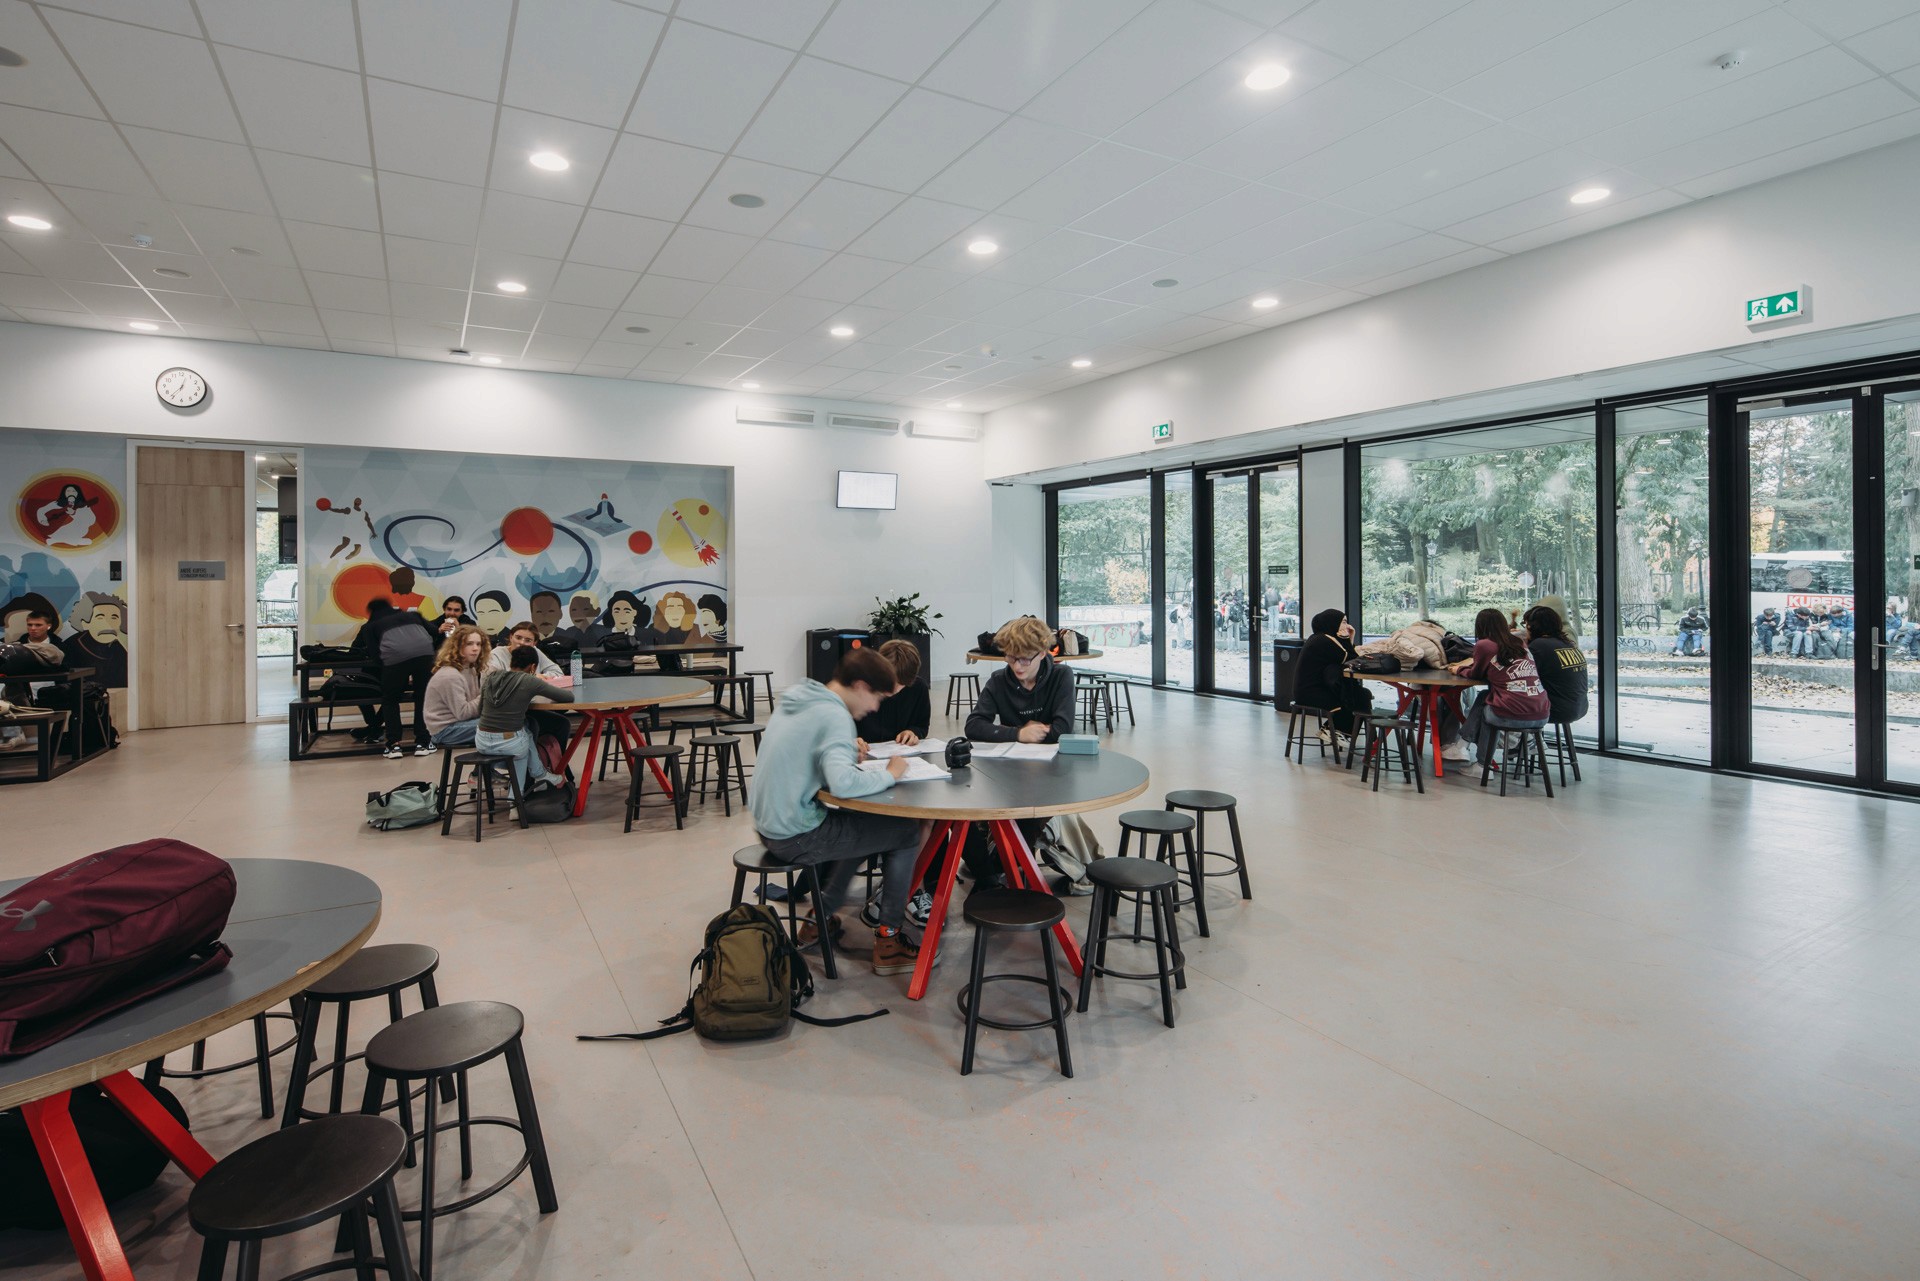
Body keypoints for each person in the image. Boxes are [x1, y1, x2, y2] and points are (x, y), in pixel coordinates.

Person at [749, 646, 927, 977]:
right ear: (861, 686)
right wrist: (892, 772)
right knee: (905, 832)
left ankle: (819, 919)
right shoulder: (835, 716)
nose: (875, 707)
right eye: (876, 697)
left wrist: (844, 756)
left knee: (859, 829)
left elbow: (814, 760)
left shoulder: (803, 696)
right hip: (796, 834)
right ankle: (889, 940)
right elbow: (843, 786)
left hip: (769, 824)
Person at [1452, 607, 1550, 761]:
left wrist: (1458, 669)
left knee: (1487, 709)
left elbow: (1475, 674)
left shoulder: (1484, 645)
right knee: (1487, 697)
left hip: (1512, 714)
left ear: (1480, 626)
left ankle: (1477, 761)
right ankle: (1529, 741)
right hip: (1542, 713)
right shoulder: (1519, 642)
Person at [352, 596, 440, 758]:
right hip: (425, 656)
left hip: (394, 660)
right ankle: (423, 742)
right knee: (422, 697)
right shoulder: (413, 616)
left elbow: (375, 655)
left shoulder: (370, 626)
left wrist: (390, 668)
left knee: (391, 699)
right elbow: (434, 632)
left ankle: (394, 745)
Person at [477, 645, 574, 792]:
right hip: (509, 743)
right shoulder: (529, 680)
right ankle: (515, 801)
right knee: (520, 747)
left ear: (511, 662)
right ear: (533, 667)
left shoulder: (492, 678)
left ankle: (539, 773)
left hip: (481, 741)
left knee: (527, 731)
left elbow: (480, 709)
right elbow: (567, 697)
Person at [966, 616, 1074, 745]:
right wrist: (1019, 734)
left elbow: (1062, 731)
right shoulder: (998, 680)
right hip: (1011, 758)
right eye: (1011, 658)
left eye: (1025, 659)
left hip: (1055, 759)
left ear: (1042, 653)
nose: (1017, 666)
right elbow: (973, 726)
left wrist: (1003, 733)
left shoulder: (1061, 676)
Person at [1292, 608, 1371, 742]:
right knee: (1355, 696)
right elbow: (1351, 658)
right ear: (1333, 623)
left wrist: (1347, 639)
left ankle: (1334, 731)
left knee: (1357, 694)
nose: (1347, 626)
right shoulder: (1325, 641)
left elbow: (1345, 657)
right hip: (1311, 693)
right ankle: (1338, 733)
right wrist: (1349, 637)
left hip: (1309, 690)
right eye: (1344, 622)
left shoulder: (1319, 638)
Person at [1, 607, 66, 750]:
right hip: (21, 690)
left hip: (48, 690)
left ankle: (14, 734)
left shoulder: (58, 647)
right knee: (4, 693)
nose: (33, 629)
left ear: (48, 626)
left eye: (38, 625)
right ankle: (13, 734)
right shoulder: (16, 647)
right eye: (30, 625)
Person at [856, 638, 930, 749]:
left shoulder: (918, 688)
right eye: (889, 681)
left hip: (900, 754)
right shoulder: (860, 687)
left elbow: (922, 725)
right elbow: (839, 728)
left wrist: (913, 732)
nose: (893, 689)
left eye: (901, 684)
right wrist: (850, 740)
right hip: (863, 754)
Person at [1522, 604, 1588, 726]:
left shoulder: (1539, 646)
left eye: (1525, 625)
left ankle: (1527, 741)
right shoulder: (1569, 644)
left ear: (1532, 626)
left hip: (1557, 710)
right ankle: (1534, 741)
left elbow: (1521, 674)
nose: (1525, 629)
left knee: (1507, 701)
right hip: (1580, 707)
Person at [423, 625, 488, 748]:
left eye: (478, 644)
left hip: (460, 724)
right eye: (469, 644)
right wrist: (486, 695)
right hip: (445, 730)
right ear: (457, 646)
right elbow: (463, 713)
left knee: (527, 722)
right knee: (508, 723)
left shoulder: (470, 668)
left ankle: (492, 767)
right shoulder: (450, 675)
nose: (475, 649)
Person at [487, 621, 563, 677]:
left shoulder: (535, 652)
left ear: (534, 643)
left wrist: (542, 676)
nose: (522, 643)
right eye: (518, 638)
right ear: (511, 637)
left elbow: (558, 672)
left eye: (528, 640)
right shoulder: (496, 655)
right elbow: (492, 683)